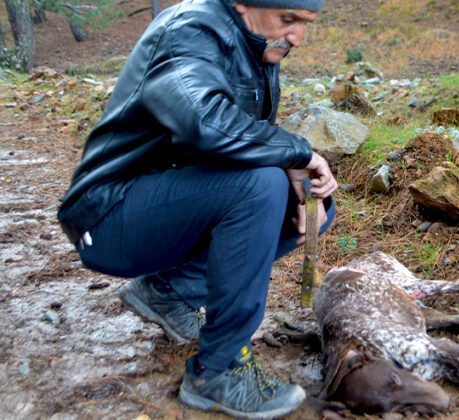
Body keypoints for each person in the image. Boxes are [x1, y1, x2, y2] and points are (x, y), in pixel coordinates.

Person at [56, 0, 336, 417]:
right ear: (242, 4)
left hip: (165, 201)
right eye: (288, 20)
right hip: (109, 213)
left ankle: (167, 292)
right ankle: (219, 371)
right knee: (259, 186)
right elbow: (205, 122)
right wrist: (296, 153)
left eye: (305, 24)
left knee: (313, 207)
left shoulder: (257, 42)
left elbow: (238, 140)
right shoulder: (190, 31)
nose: (297, 36)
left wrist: (293, 168)